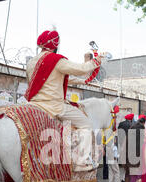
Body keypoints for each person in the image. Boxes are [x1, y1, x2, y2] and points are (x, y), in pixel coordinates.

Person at [25, 30, 102, 172]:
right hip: (53, 106)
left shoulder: (31, 62)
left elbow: (49, 79)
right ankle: (81, 161)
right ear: (55, 44)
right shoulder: (56, 60)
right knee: (86, 125)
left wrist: (81, 82)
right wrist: (97, 60)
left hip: (33, 104)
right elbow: (82, 69)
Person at [118, 113, 135, 182]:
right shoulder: (131, 125)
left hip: (121, 144)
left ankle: (124, 178)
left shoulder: (121, 124)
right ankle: (125, 179)